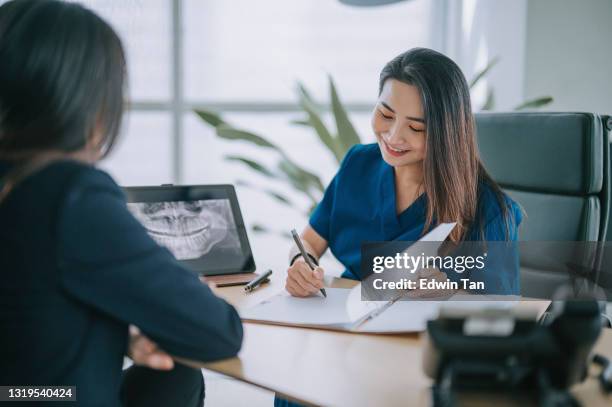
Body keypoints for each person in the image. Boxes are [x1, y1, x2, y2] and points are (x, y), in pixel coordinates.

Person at [0, 1, 242, 406]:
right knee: (180, 364)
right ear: (85, 98)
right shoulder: (70, 194)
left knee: (172, 371)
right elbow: (219, 331)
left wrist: (123, 336)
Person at [285, 47, 523, 299]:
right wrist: (301, 262)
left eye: (416, 128)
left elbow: (504, 306)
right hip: (346, 321)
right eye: (385, 114)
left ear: (447, 133)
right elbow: (309, 241)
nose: (394, 136)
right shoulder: (358, 163)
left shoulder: (488, 209)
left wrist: (451, 290)